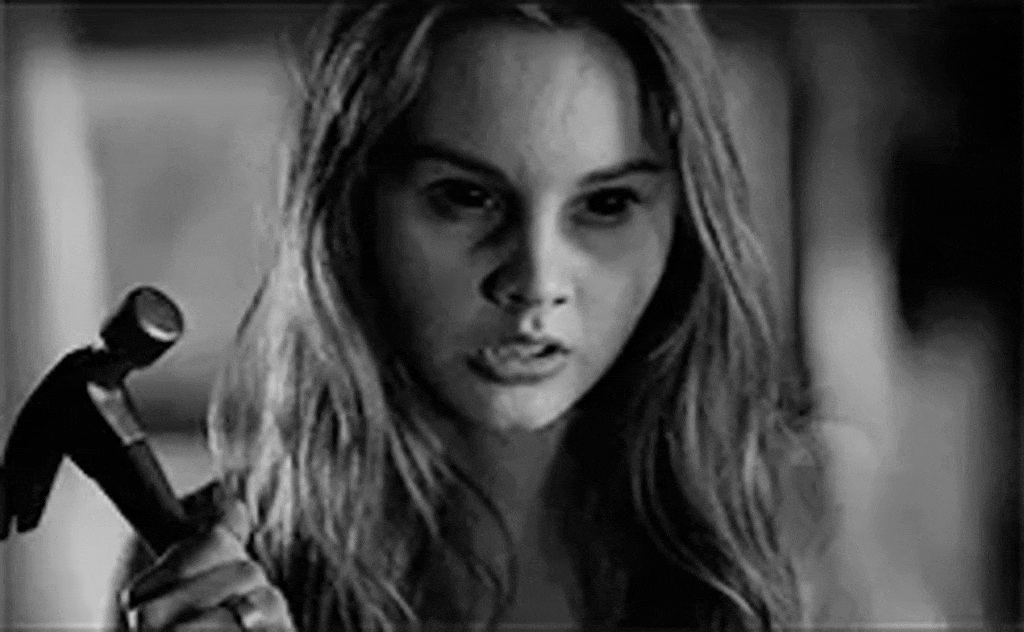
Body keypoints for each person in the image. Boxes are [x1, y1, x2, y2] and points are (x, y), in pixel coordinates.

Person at [116, 3, 820, 631]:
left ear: (685, 223)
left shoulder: (798, 535)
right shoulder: (209, 568)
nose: (535, 283)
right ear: (351, 209)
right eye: (466, 197)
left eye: (606, 205)